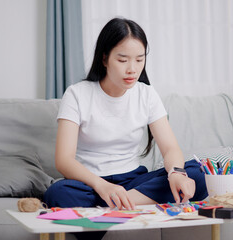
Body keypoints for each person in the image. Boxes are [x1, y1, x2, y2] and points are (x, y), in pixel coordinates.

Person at [43, 17, 207, 211]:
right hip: (90, 184)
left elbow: (170, 148)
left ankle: (114, 203)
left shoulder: (146, 93)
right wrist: (102, 186)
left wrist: (177, 173)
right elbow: (64, 160)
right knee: (57, 193)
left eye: (140, 59)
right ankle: (121, 202)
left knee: (198, 173)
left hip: (133, 181)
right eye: (122, 60)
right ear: (104, 58)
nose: (133, 69)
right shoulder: (77, 94)